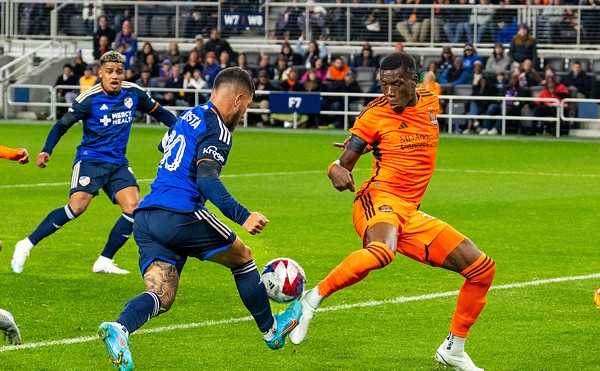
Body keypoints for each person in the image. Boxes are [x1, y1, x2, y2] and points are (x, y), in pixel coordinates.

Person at [287, 52, 495, 371]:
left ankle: (453, 349)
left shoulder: (430, 99)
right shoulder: (374, 115)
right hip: (377, 197)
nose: (389, 92)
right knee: (383, 251)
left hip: (410, 213)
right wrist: (336, 169)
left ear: (413, 80)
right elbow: (344, 163)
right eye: (384, 85)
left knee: (481, 270)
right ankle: (311, 299)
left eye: (396, 84)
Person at [98, 67, 302, 370]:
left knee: (161, 295)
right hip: (180, 213)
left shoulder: (190, 115)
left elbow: (164, 145)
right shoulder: (218, 128)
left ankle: (120, 328)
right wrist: (243, 216)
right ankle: (271, 331)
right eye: (246, 107)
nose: (243, 114)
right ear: (238, 99)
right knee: (242, 257)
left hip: (147, 216)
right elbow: (207, 180)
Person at [11, 52, 178, 275]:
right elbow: (62, 125)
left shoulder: (133, 93)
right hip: (90, 159)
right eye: (109, 71)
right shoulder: (88, 99)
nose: (115, 76)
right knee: (77, 207)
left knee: (133, 209)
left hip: (118, 162)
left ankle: (104, 261)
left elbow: (162, 114)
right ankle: (26, 244)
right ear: (100, 73)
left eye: (119, 71)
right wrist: (46, 150)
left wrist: (184, 130)